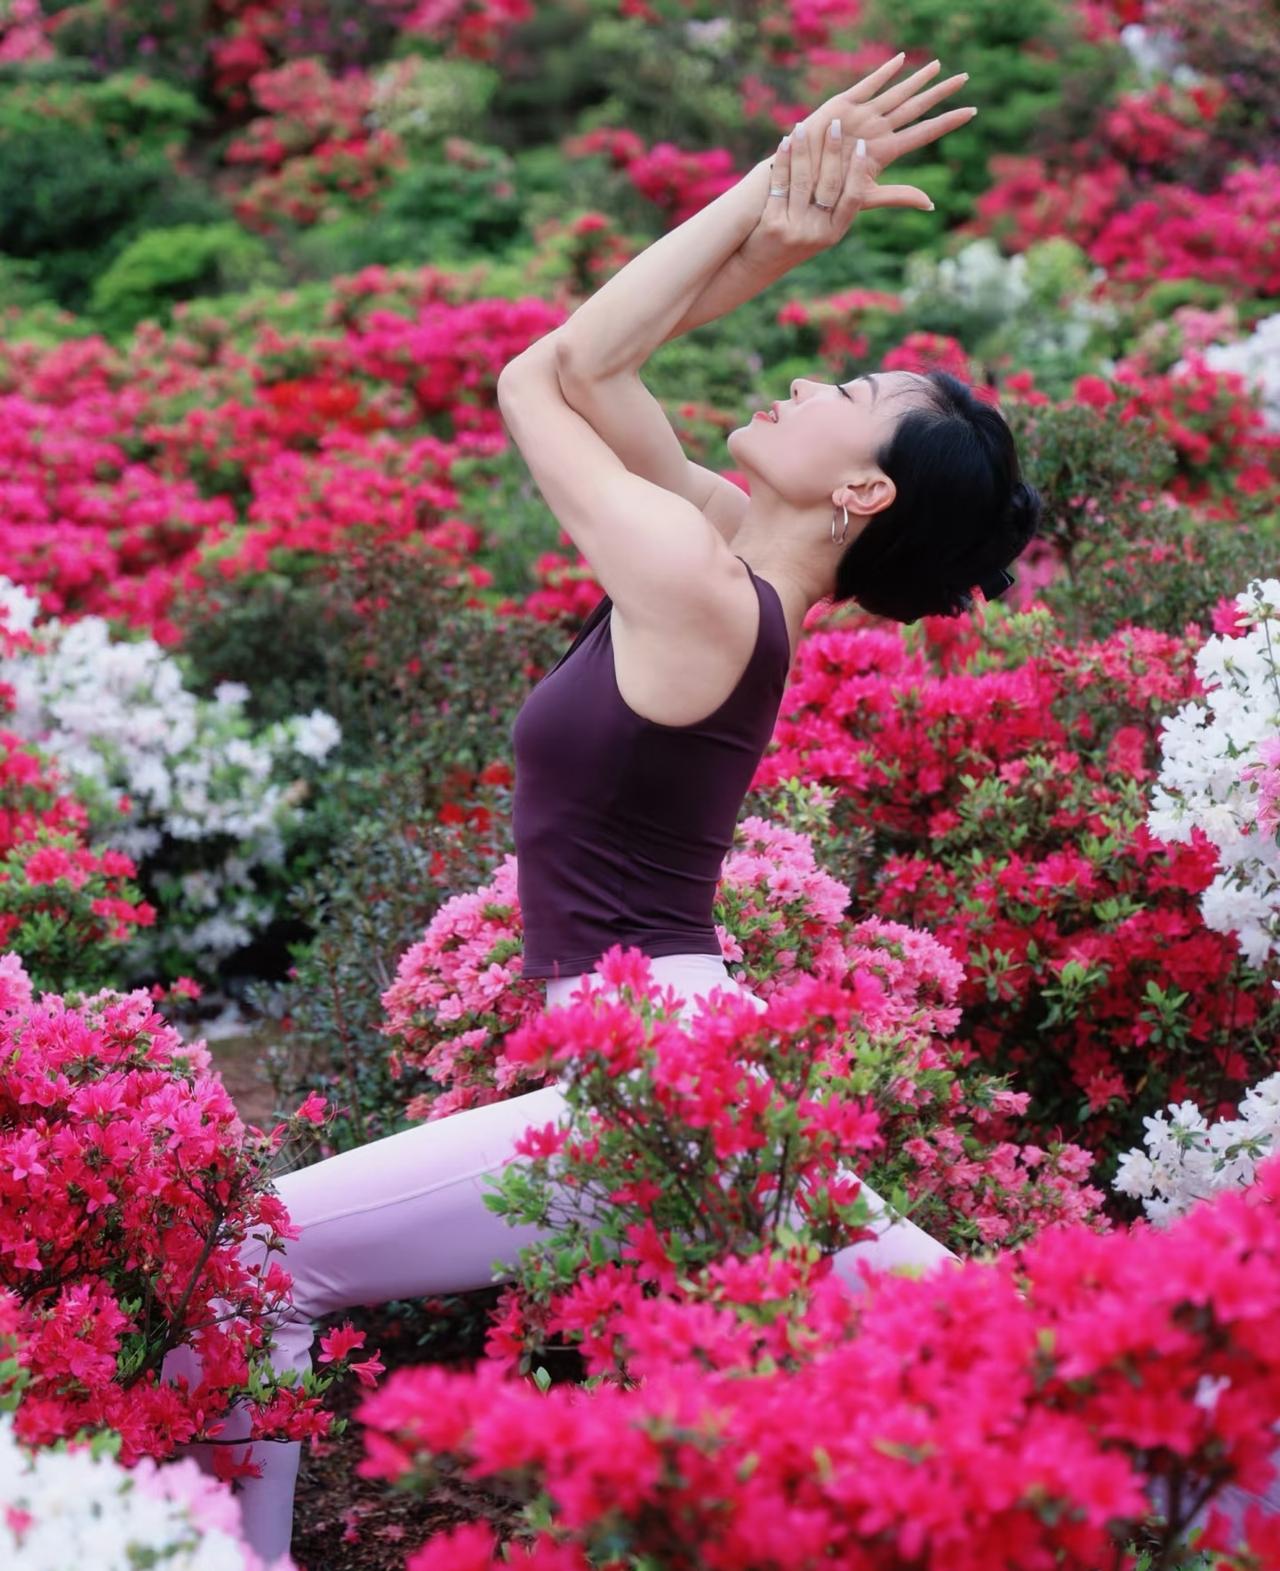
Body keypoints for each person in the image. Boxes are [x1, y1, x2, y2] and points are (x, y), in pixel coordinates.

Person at [161, 55, 1044, 1562]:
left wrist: (761, 194)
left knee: (254, 1258)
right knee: (1012, 1355)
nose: (809, 381)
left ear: (864, 497)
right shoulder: (724, 550)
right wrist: (767, 233)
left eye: (848, 397)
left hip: (654, 1068)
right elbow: (604, 373)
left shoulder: (703, 584)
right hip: (682, 1052)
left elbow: (540, 375)